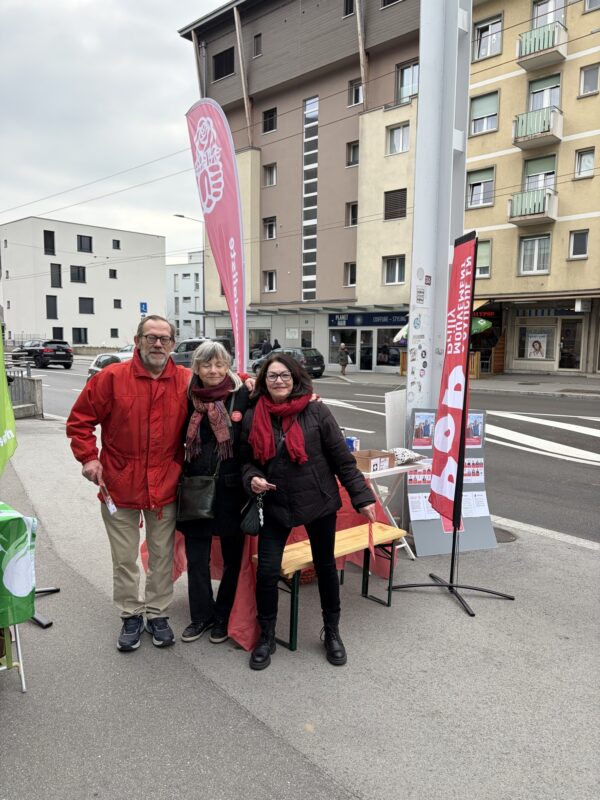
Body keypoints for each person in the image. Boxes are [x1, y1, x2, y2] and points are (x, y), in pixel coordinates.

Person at [240, 353, 376, 671]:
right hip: (275, 504)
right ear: (263, 381)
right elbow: (245, 462)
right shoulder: (252, 415)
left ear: (296, 377)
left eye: (285, 375)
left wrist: (362, 497)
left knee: (326, 567)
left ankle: (332, 632)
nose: (279, 381)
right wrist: (252, 479)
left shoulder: (316, 410)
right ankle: (267, 636)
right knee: (268, 571)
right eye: (272, 376)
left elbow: (343, 460)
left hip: (318, 502)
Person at [67, 315, 190, 652]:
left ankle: (157, 613)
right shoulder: (111, 378)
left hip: (165, 484)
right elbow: (79, 422)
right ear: (137, 341)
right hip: (118, 484)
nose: (158, 344)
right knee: (123, 558)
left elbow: (221, 381)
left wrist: (248, 380)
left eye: (164, 339)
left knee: (162, 556)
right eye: (151, 337)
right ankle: (130, 613)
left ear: (173, 345)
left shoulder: (185, 381)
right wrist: (88, 458)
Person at [177, 341, 250, 645]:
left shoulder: (243, 394)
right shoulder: (186, 396)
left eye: (220, 364)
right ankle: (201, 616)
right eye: (207, 365)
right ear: (196, 367)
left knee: (233, 558)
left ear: (228, 365)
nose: (214, 371)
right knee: (197, 558)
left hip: (232, 490)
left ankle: (222, 616)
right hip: (195, 487)